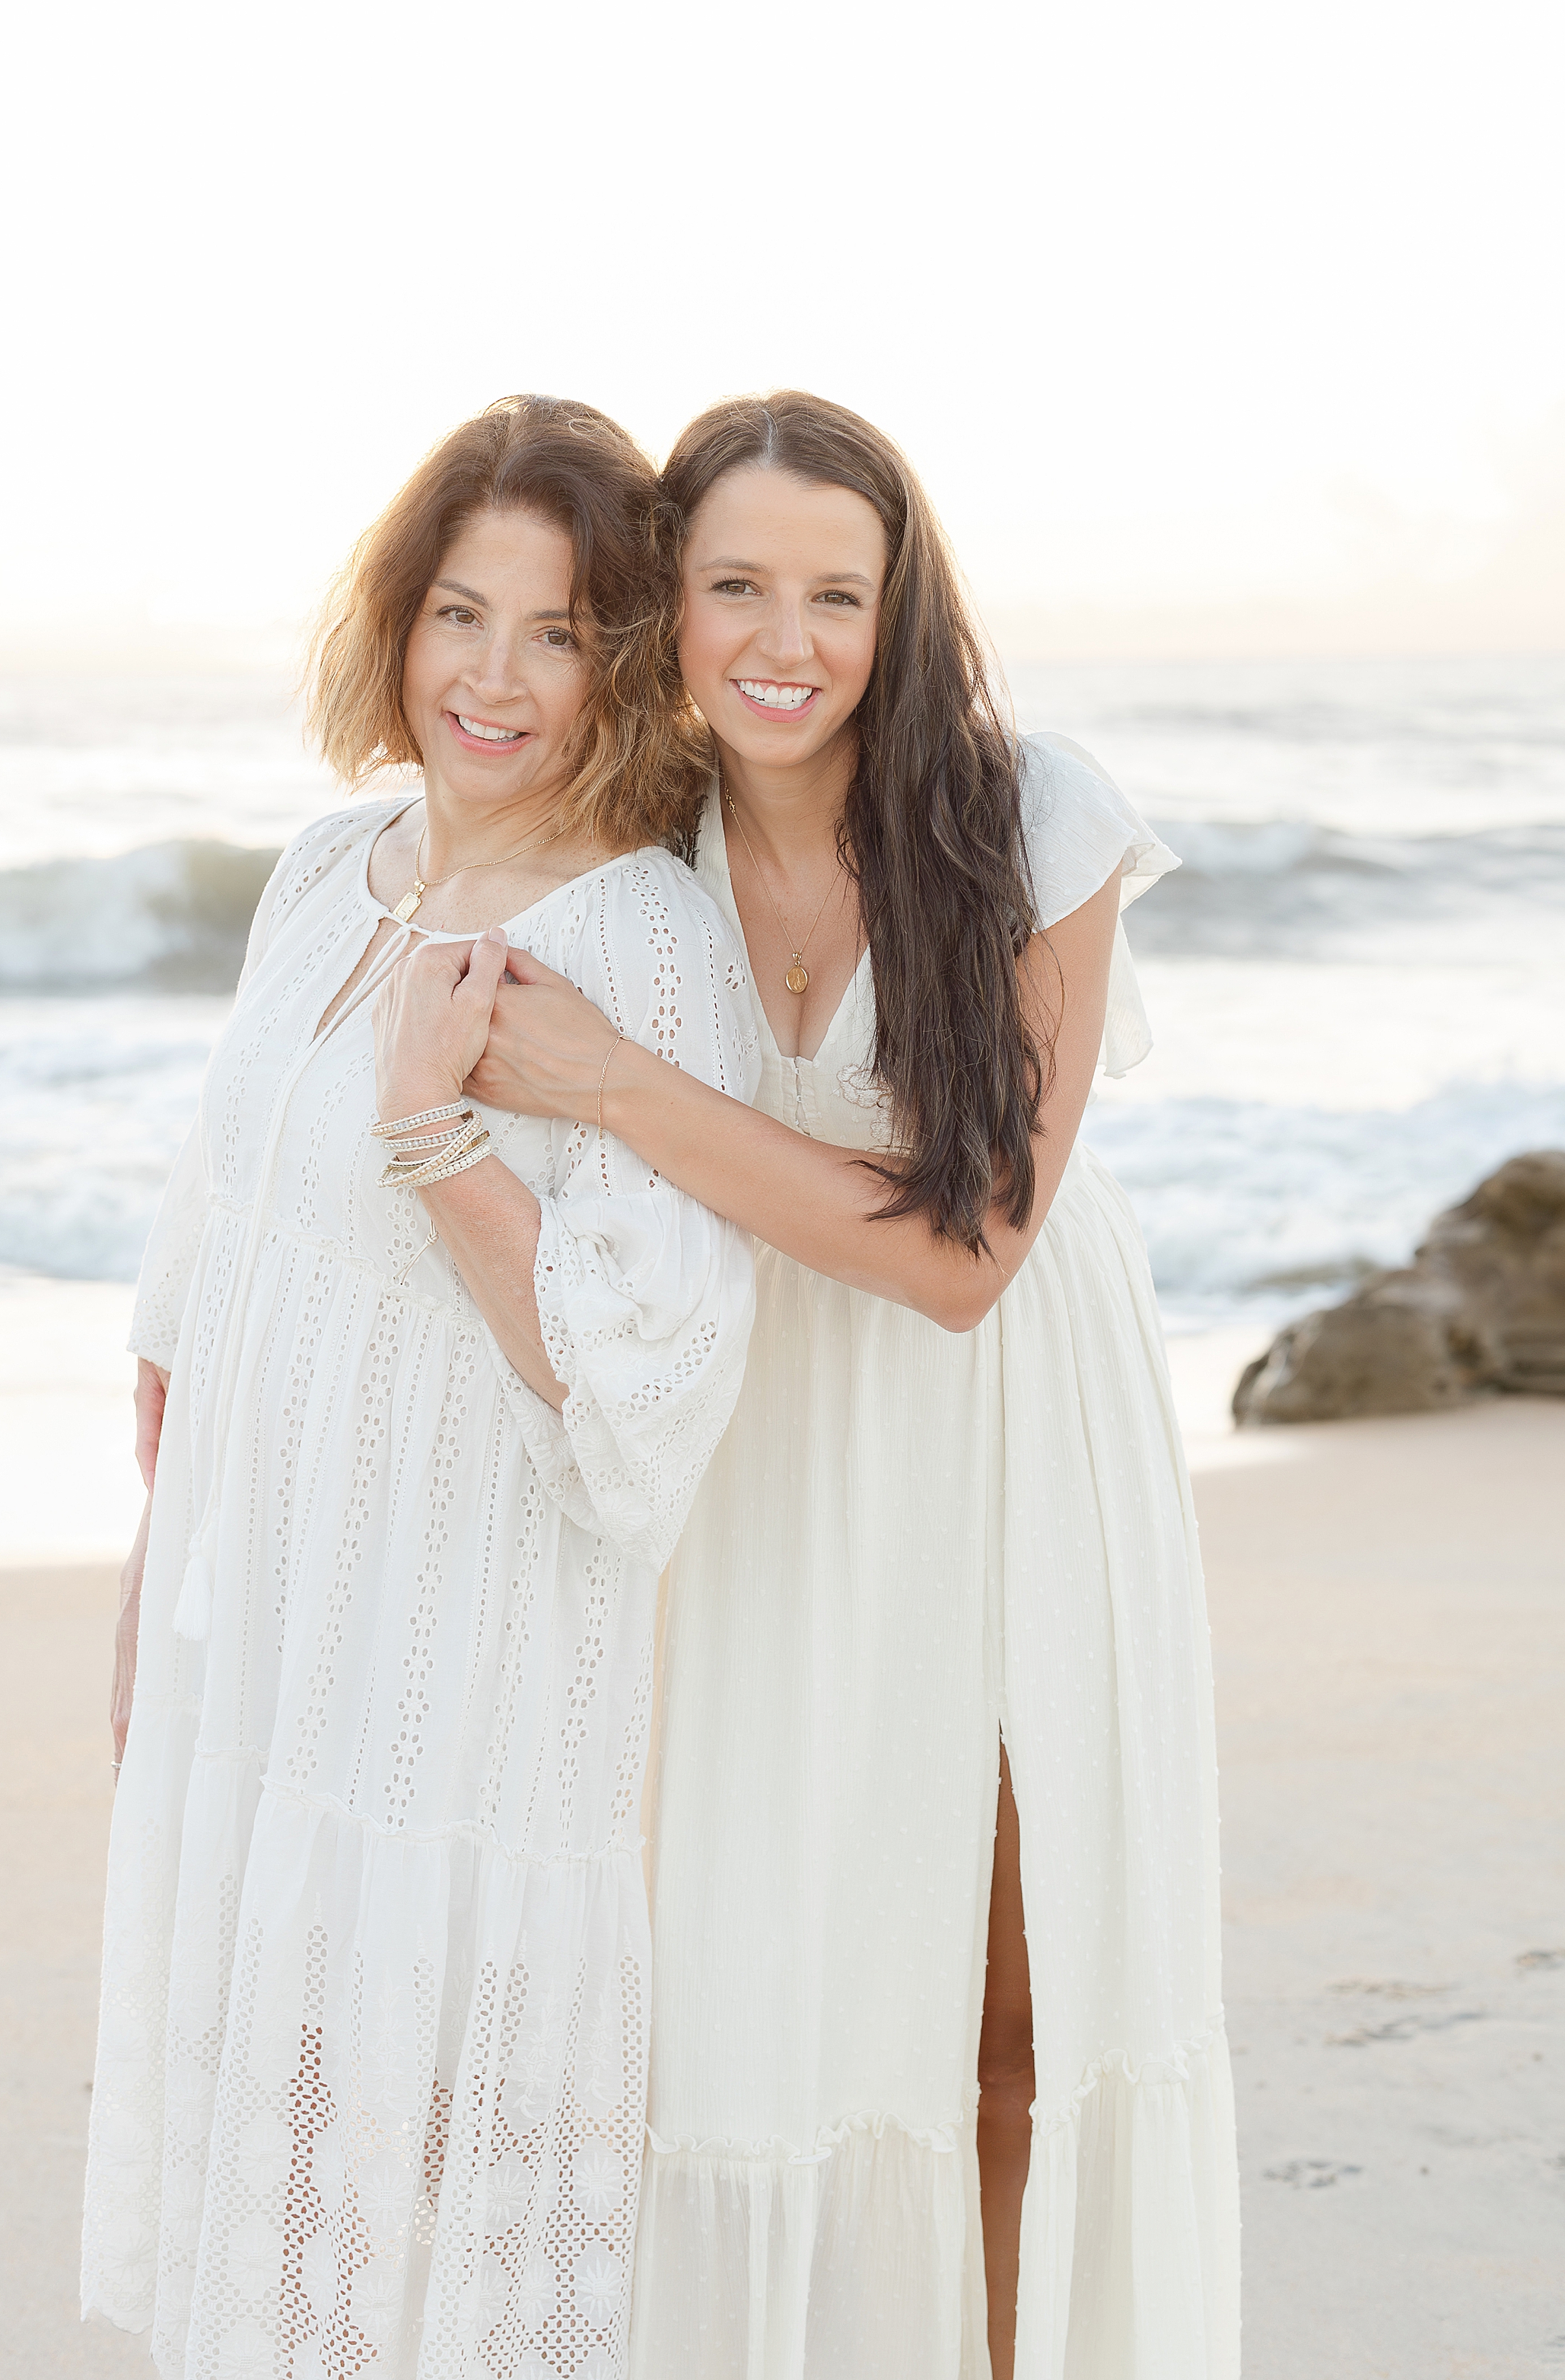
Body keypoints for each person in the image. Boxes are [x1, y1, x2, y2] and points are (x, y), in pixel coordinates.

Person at [470, 393, 1239, 2379]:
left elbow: (963, 1259)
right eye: (734, 584)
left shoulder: (1026, 819)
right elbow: (399, 970)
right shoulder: (633, 847)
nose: (784, 637)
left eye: (837, 590)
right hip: (757, 1446)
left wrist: (623, 1085)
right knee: (760, 1991)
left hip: (1003, 1444)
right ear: (668, 602)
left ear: (901, 613)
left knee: (1011, 1999)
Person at [82, 396, 760, 2378]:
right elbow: (210, 1269)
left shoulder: (636, 941)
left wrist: (432, 1136)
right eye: (460, 612)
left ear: (620, 660)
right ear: (396, 616)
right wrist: (156, 1586)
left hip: (451, 1657)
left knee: (406, 2193)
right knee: (275, 2187)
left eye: (553, 631)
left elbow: (639, 1399)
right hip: (261, 1623)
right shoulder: (326, 868)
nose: (492, 673)